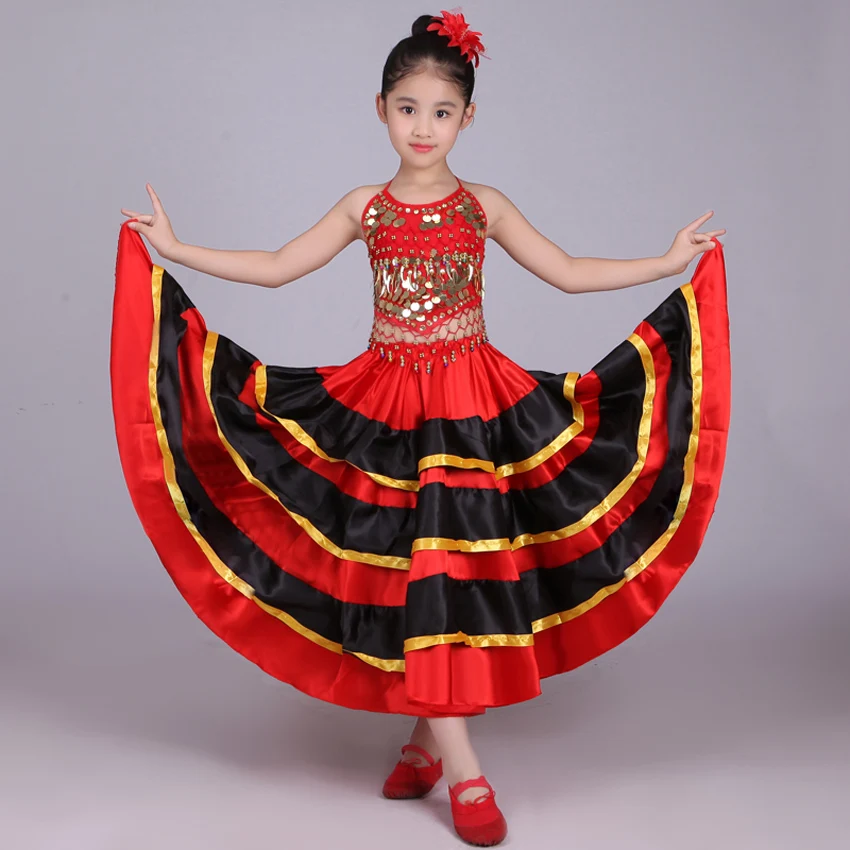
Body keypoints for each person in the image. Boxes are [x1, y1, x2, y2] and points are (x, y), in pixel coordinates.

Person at [113, 10, 730, 847]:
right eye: (408, 109)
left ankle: (437, 749)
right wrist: (179, 250)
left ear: (468, 118)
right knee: (408, 571)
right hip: (386, 407)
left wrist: (665, 262)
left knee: (447, 574)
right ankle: (451, 756)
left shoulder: (482, 207)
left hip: (474, 408)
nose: (423, 128)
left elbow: (567, 270)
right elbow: (278, 266)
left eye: (441, 112)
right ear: (381, 110)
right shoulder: (365, 208)